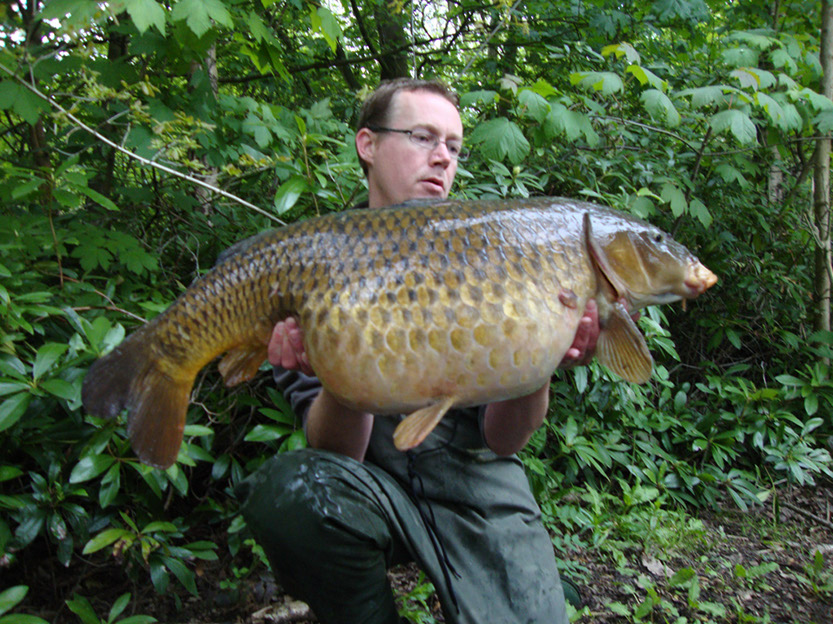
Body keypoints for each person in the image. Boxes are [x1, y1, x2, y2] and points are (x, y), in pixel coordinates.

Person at [236, 78, 600, 624]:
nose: (442, 158)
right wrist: (339, 368)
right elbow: (337, 454)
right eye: (423, 136)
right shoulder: (309, 261)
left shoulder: (490, 251)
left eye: (453, 146)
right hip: (372, 486)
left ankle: (522, 580)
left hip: (476, 486)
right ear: (368, 144)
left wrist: (542, 360)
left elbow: (503, 440)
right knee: (294, 493)